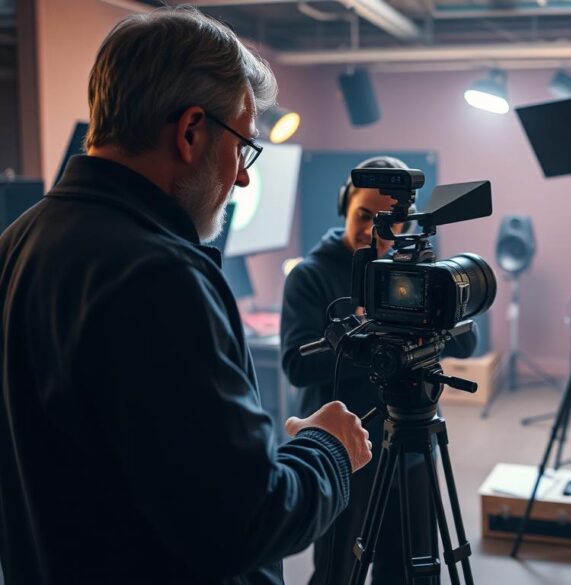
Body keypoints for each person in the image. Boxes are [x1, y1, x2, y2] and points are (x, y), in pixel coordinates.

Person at [0, 8, 372, 584]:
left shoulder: (18, 243)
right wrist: (328, 448)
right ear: (192, 130)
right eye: (243, 148)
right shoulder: (158, 276)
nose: (242, 177)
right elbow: (245, 523)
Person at [281, 156, 474, 584]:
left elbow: (468, 340)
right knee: (338, 569)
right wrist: (372, 339)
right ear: (344, 206)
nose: (375, 232)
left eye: (388, 222)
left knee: (409, 567)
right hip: (346, 446)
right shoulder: (310, 276)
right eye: (364, 216)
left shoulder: (414, 271)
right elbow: (296, 363)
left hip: (409, 438)